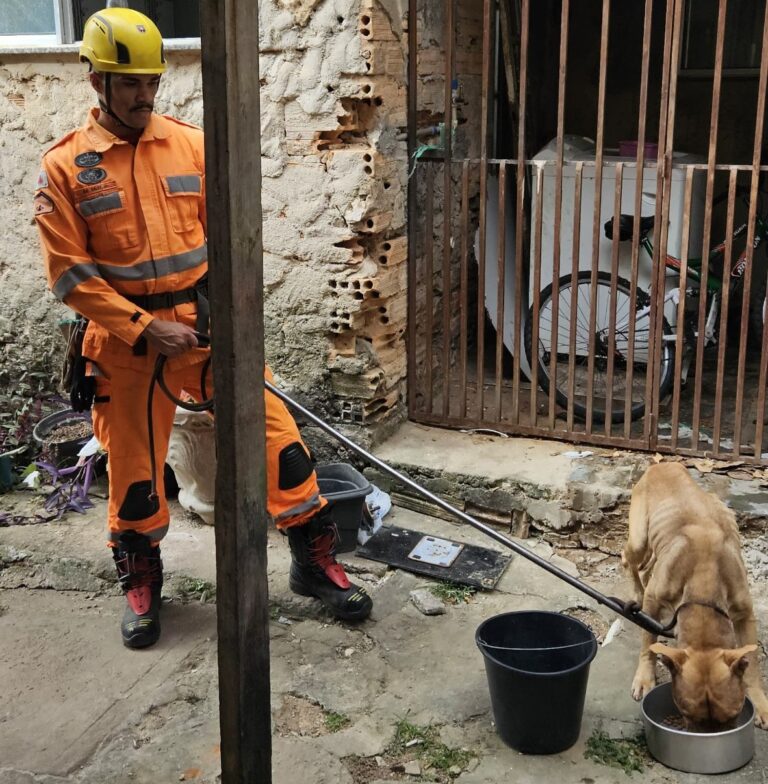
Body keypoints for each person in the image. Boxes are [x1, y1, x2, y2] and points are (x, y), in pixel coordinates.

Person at [33, 7, 372, 649]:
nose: (144, 95)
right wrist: (142, 327)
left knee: (282, 443)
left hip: (208, 330)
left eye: (151, 82)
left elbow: (233, 234)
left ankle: (313, 561)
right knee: (134, 476)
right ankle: (142, 585)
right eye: (129, 83)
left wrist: (233, 313)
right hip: (127, 346)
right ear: (96, 80)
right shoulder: (66, 168)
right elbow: (70, 277)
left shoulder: (191, 143)